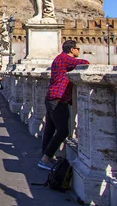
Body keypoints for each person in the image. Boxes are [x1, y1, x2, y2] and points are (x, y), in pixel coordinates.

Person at [38, 40, 89, 170]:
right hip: (58, 99)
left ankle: (44, 158)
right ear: (72, 49)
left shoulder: (59, 58)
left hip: (52, 97)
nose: (79, 51)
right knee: (63, 131)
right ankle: (45, 158)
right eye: (77, 48)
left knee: (50, 129)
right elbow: (85, 63)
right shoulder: (65, 59)